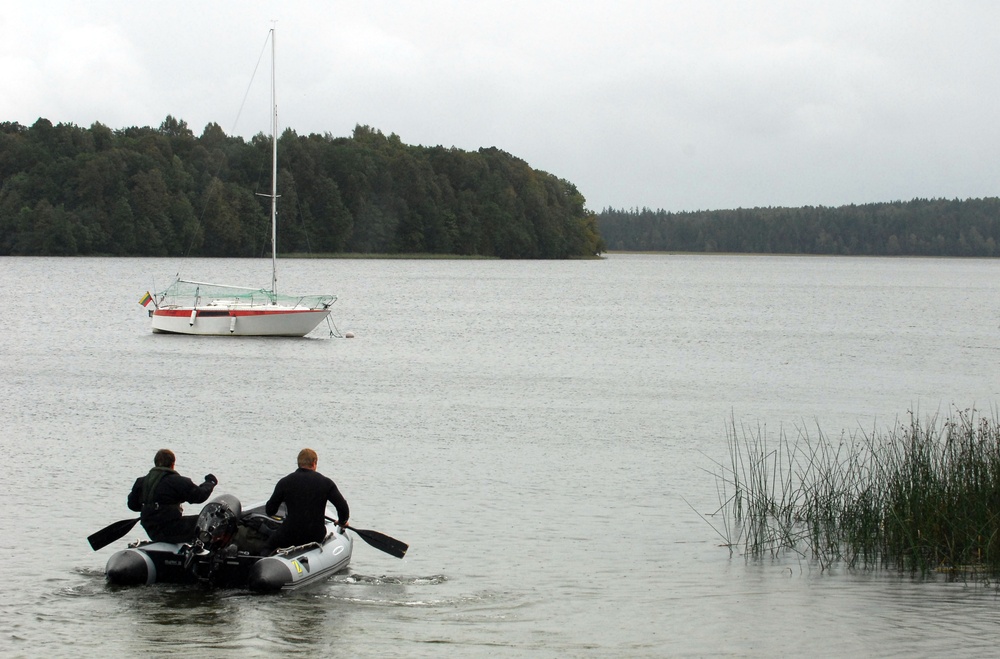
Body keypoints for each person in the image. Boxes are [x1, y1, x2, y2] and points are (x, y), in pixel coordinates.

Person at [263, 448, 349, 554]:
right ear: (314, 463)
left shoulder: (285, 482)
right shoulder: (326, 483)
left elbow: (270, 510)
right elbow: (343, 508)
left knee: (267, 546)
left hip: (290, 534)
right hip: (315, 535)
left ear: (299, 463)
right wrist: (342, 521)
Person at [127, 448, 218, 543]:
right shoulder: (177, 481)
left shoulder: (141, 482)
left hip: (151, 529)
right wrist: (210, 482)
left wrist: (152, 507)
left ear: (155, 463)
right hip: (170, 528)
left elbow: (132, 505)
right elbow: (200, 496)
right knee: (208, 520)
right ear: (172, 464)